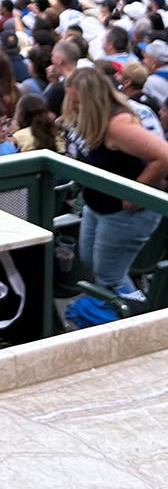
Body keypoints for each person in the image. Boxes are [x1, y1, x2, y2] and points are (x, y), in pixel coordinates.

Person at [63, 65, 168, 317]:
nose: (73, 106)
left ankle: (140, 317)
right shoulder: (87, 119)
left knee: (110, 276)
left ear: (93, 100)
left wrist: (135, 193)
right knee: (89, 261)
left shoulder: (118, 125)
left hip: (126, 212)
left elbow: (163, 157)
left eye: (77, 101)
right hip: (97, 204)